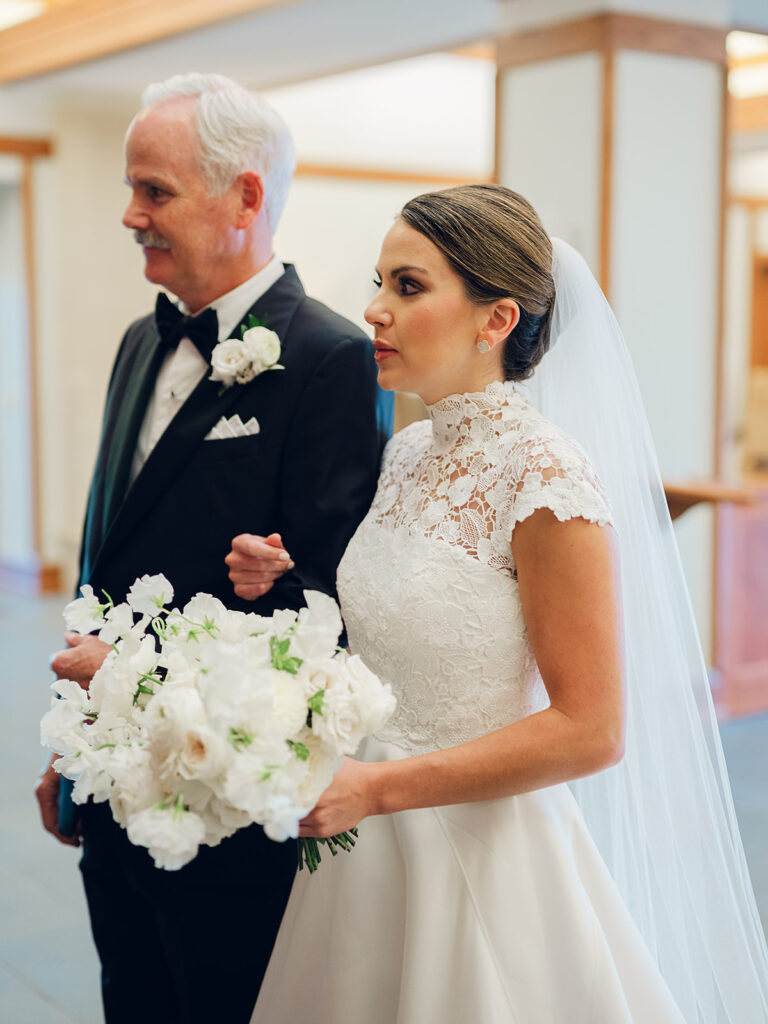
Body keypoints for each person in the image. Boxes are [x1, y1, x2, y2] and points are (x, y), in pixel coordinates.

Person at [245, 184, 768, 1022]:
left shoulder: (548, 479)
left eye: (409, 286)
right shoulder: (410, 450)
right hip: (364, 847)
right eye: (379, 282)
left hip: (473, 852)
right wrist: (290, 577)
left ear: (497, 320)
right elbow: (417, 620)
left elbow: (592, 730)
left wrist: (381, 789)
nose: (374, 310)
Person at [34, 72, 391, 1024]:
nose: (130, 215)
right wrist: (75, 745)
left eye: (155, 191)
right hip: (113, 774)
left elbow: (331, 604)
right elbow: (106, 560)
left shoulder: (331, 358)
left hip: (224, 797)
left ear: (244, 197)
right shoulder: (135, 343)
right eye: (131, 189)